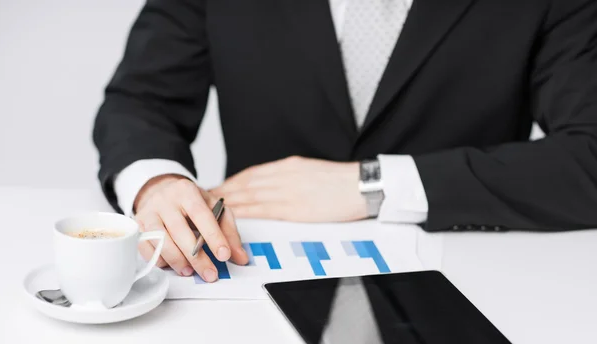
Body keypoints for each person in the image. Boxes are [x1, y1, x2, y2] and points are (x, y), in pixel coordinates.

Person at [93, 0, 597, 282]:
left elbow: (589, 154)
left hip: (467, 281)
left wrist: (373, 186)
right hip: (250, 271)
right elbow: (141, 99)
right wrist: (155, 181)